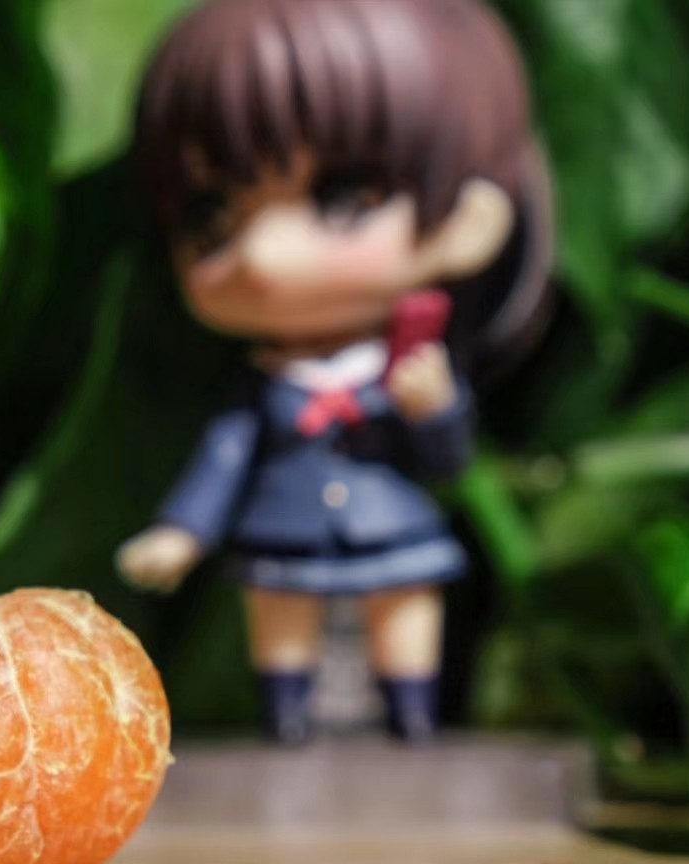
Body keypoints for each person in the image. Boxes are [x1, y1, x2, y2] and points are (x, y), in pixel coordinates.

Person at [117, 0, 553, 744]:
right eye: (211, 217)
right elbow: (222, 462)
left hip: (391, 524)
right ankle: (286, 720)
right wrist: (183, 532)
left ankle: (413, 717)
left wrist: (434, 408)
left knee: (407, 616)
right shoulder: (263, 389)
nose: (262, 256)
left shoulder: (408, 369)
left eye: (343, 198)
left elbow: (450, 463)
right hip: (282, 533)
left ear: (468, 221)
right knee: (280, 621)